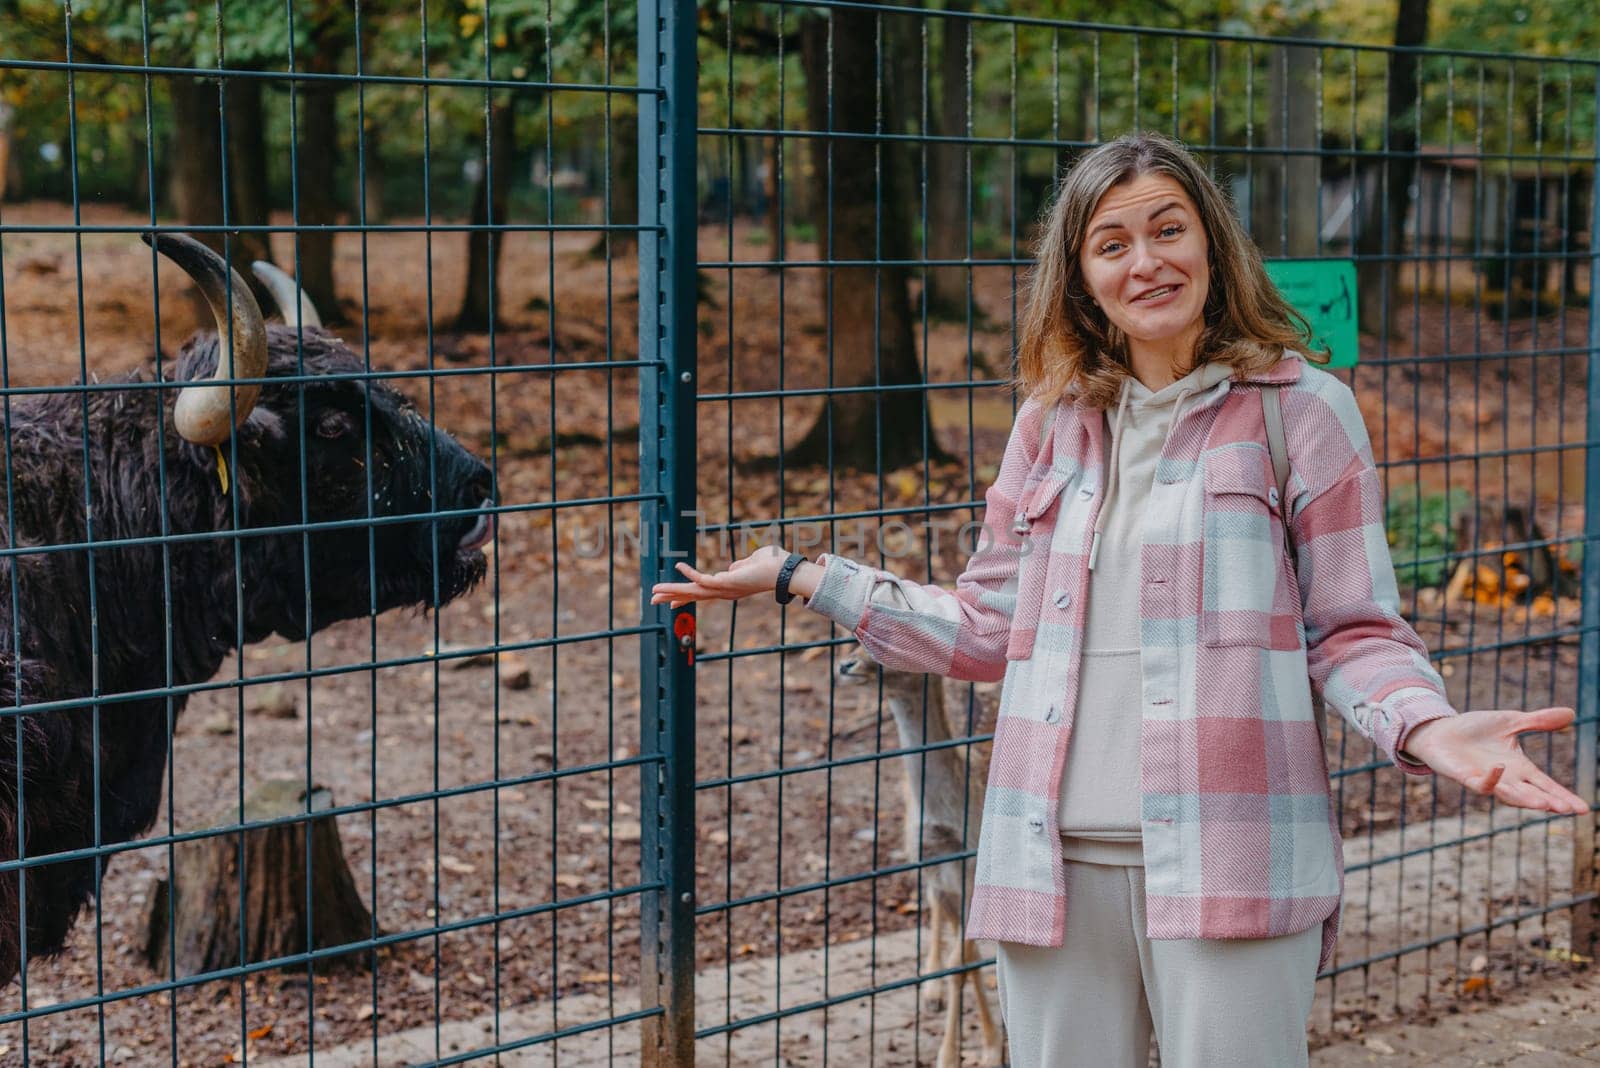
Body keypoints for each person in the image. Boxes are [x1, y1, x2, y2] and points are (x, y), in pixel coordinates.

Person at [650, 132, 1588, 1068]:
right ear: (1081, 276)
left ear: (1212, 244)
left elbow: (1351, 629)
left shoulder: (1300, 410)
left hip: (1235, 854)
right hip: (1047, 861)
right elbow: (988, 627)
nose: (1147, 261)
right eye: (1112, 243)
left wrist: (1427, 727)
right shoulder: (1050, 423)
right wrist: (804, 576)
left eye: (1168, 229)